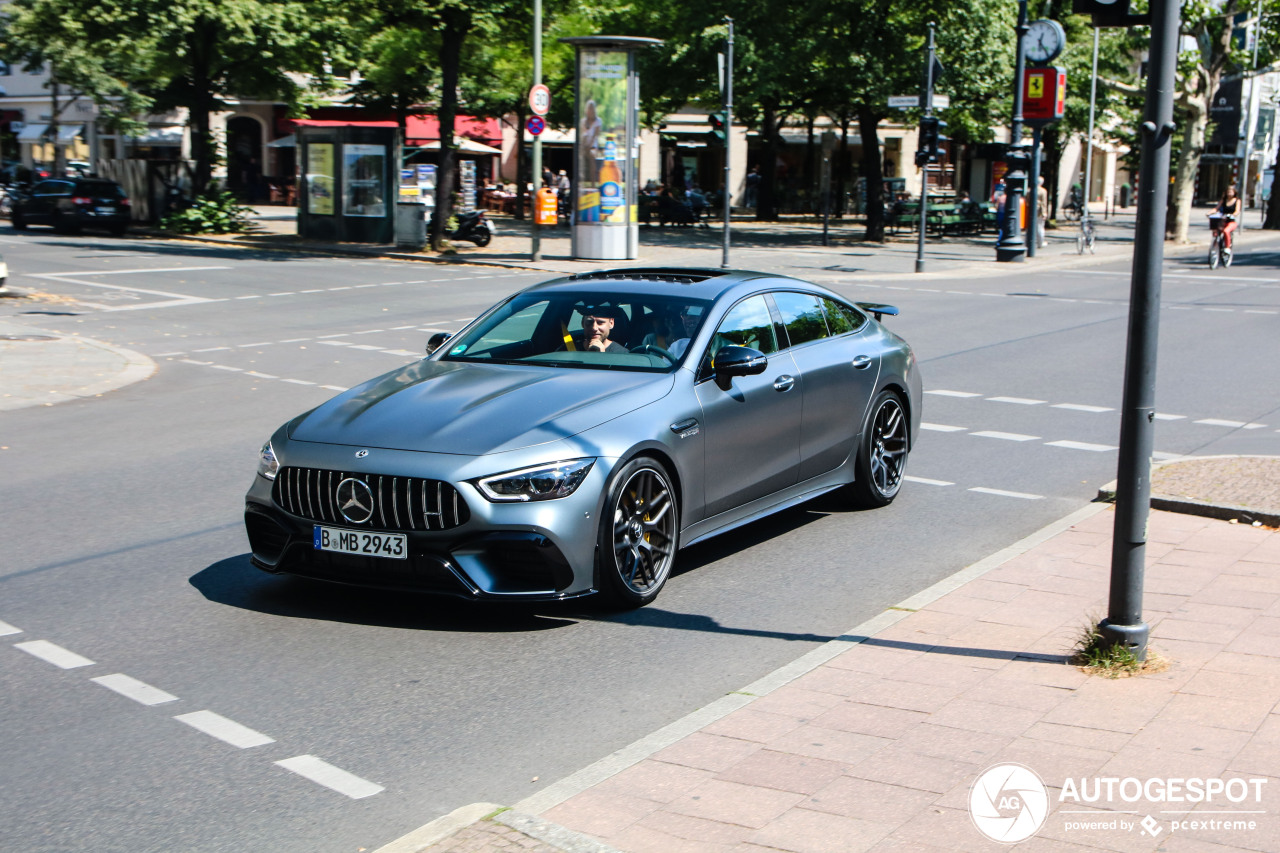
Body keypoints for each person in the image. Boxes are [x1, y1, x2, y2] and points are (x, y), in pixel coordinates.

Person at [580, 99, 603, 183]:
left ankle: (593, 182)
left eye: (592, 109)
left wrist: (589, 145)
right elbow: (583, 134)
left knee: (592, 159)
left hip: (592, 145)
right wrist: (584, 145)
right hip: (584, 143)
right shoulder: (583, 121)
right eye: (589, 109)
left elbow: (595, 135)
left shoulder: (598, 121)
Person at [1036, 175, 1048, 248]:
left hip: (1030, 211)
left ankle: (1027, 242)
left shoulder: (1030, 190)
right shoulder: (1043, 191)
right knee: (1040, 227)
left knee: (1030, 227)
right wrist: (1044, 213)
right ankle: (1040, 243)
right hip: (1039, 211)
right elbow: (1044, 203)